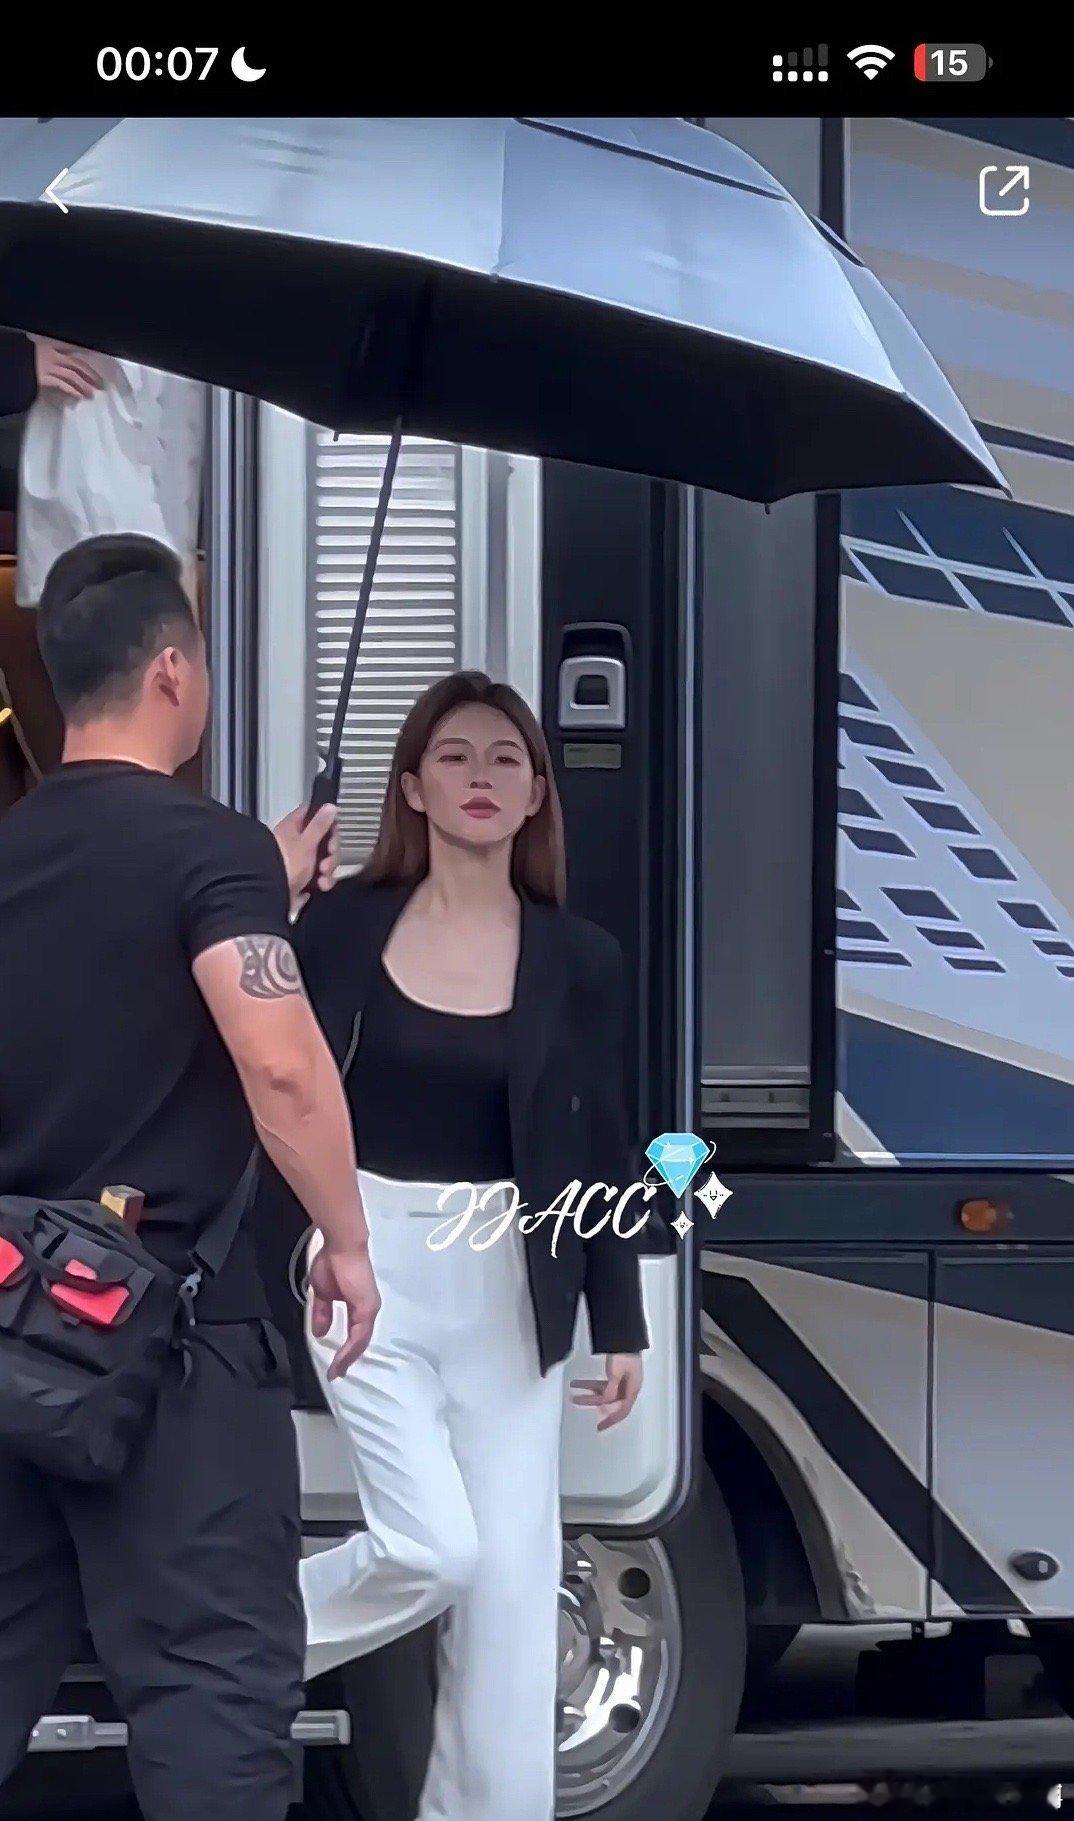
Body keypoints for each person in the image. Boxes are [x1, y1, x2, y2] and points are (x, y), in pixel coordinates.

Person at [0, 533, 380, 1821]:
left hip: (10, 1333)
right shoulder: (208, 854)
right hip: (172, 1348)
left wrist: (259, 890)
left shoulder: (18, 849)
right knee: (214, 1698)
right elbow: (281, 1066)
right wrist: (345, 1238)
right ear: (174, 672)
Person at [264, 669, 650, 1821]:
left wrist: (621, 1322)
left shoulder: (582, 958)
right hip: (363, 1258)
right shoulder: (341, 926)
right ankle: (240, 1638)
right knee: (434, 1548)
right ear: (412, 790)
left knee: (513, 1605)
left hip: (515, 1280)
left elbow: (602, 1141)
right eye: (454, 757)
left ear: (535, 795)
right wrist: (269, 894)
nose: (481, 778)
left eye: (505, 760)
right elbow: (261, 1058)